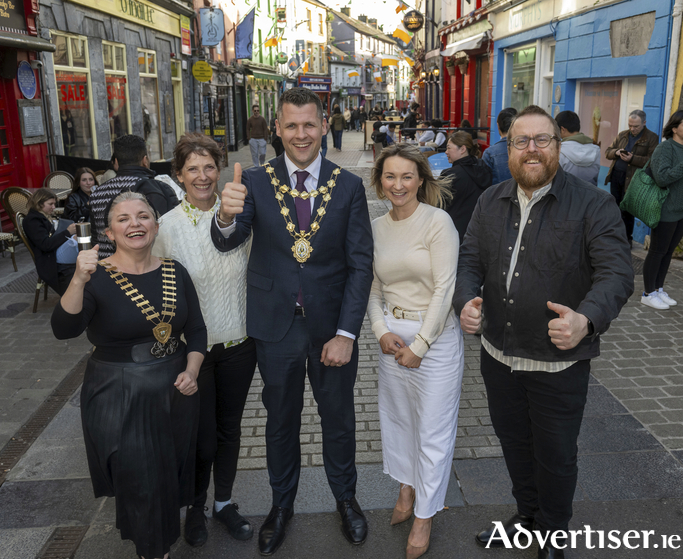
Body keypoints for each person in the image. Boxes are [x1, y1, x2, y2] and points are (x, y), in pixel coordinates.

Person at [454, 105, 634, 559]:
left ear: (558, 146)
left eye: (542, 140)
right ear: (508, 148)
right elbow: (468, 261)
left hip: (558, 364)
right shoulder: (490, 200)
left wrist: (585, 319)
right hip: (499, 356)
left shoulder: (594, 203)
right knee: (514, 444)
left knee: (556, 456)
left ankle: (553, 532)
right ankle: (527, 516)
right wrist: (465, 301)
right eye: (521, 141)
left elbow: (616, 274)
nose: (531, 149)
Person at [212, 87, 374, 555]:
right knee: (280, 422)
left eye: (309, 125)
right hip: (275, 327)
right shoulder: (256, 183)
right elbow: (229, 241)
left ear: (325, 126)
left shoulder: (349, 187)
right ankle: (281, 506)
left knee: (339, 420)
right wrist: (225, 215)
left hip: (331, 329)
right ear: (277, 130)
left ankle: (346, 500)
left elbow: (360, 265)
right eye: (291, 125)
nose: (301, 134)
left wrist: (347, 333)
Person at [51, 191, 207, 559]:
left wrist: (192, 368)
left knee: (168, 476)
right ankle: (153, 552)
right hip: (120, 394)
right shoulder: (95, 276)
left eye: (143, 216)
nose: (135, 224)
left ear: (156, 225)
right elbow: (63, 329)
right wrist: (77, 278)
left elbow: (197, 329)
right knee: (141, 482)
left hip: (175, 390)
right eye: (123, 219)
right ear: (108, 232)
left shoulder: (174, 270)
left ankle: (156, 546)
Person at [152, 133, 257, 546]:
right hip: (191, 353)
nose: (202, 176)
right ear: (178, 175)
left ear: (220, 169)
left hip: (239, 345)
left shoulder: (243, 218)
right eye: (192, 169)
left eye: (209, 167)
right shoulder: (167, 228)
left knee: (230, 430)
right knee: (201, 435)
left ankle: (224, 503)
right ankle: (195, 506)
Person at [367, 144, 462, 559]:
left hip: (435, 341)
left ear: (421, 180)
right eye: (390, 176)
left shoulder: (438, 222)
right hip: (392, 338)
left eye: (407, 176)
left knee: (433, 433)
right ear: (379, 181)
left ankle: (424, 515)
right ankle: (406, 488)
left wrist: (421, 344)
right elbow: (371, 286)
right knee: (400, 422)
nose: (399, 184)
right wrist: (379, 331)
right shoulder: (375, 227)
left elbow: (446, 289)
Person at [89, 134, 179, 259]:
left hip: (106, 269)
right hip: (149, 268)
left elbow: (95, 240)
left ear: (116, 162)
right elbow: (174, 234)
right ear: (145, 160)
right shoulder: (158, 188)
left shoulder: (97, 194)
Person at [641, 110, 683, 310]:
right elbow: (662, 178)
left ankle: (658, 288)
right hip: (665, 209)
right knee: (657, 251)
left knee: (667, 252)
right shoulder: (665, 148)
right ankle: (647, 293)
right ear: (674, 128)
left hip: (681, 210)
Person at [605, 109, 659, 246]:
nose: (632, 129)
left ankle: (626, 239)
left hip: (634, 179)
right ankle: (614, 237)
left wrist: (632, 158)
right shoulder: (622, 135)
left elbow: (652, 161)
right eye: (630, 125)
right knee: (615, 208)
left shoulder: (652, 138)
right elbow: (607, 152)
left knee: (627, 210)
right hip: (617, 175)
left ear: (644, 123)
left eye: (636, 126)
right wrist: (616, 152)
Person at [23, 188, 77, 295]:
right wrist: (67, 232)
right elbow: (45, 245)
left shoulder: (42, 216)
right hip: (49, 260)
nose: (54, 207)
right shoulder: (32, 220)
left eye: (54, 204)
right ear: (39, 204)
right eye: (50, 204)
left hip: (54, 253)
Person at [441, 131, 493, 243]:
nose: (446, 152)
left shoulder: (449, 175)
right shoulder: (484, 169)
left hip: (454, 234)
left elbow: (438, 205)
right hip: (479, 233)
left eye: (449, 148)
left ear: (463, 149)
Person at [554, 111, 600, 186]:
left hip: (565, 195)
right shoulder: (595, 149)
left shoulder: (559, 150)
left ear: (562, 129)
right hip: (590, 195)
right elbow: (595, 178)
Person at [482, 108, 517, 185]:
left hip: (498, 195)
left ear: (498, 126)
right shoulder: (528, 148)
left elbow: (484, 184)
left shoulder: (490, 153)